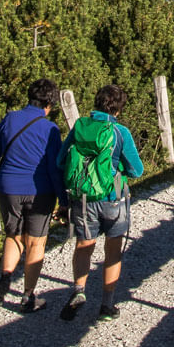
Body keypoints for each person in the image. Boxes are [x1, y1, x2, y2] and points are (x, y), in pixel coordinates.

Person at [57, 85, 143, 322]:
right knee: (112, 251)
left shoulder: (79, 127)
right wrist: (119, 168)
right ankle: (107, 304)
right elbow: (137, 170)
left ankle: (78, 291)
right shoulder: (120, 132)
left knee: (84, 244)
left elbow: (60, 161)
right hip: (112, 199)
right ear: (119, 108)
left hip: (82, 199)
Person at [0, 78, 67, 312]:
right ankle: (28, 297)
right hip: (40, 190)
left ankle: (5, 277)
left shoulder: (9, 119)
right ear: (49, 104)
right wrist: (64, 201)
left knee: (13, 235)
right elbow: (54, 169)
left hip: (8, 187)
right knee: (35, 242)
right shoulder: (49, 128)